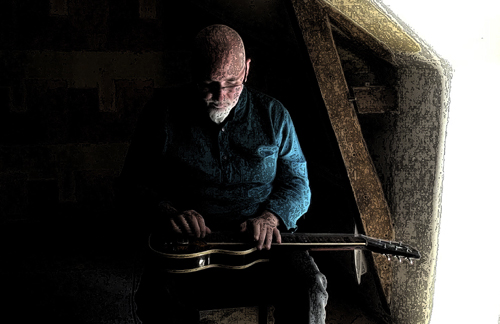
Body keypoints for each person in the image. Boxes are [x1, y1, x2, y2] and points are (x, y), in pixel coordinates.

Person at [117, 24, 328, 324]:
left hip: (262, 241)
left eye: (232, 83)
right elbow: (131, 185)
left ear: (246, 71)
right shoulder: (162, 113)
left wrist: (272, 217)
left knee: (311, 289)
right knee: (157, 299)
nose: (221, 96)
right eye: (209, 84)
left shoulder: (274, 115)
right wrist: (167, 212)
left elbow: (299, 184)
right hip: (191, 244)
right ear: (192, 72)